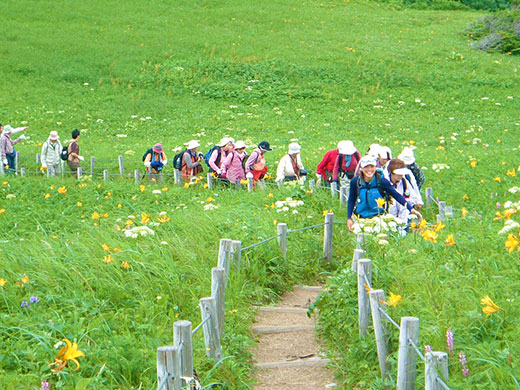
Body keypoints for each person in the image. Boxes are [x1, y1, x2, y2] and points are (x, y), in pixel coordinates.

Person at [347, 155, 422, 232]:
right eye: (366, 167)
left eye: (372, 167)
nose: (369, 170)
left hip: (379, 219)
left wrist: (411, 209)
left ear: (375, 167)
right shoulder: (355, 182)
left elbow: (396, 195)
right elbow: (351, 200)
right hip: (360, 219)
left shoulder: (382, 181)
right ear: (361, 168)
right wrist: (349, 218)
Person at [384, 159, 424, 224]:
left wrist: (417, 202)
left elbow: (412, 193)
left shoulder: (404, 182)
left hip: (403, 212)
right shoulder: (385, 182)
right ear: (392, 172)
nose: (401, 176)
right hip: (389, 211)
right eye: (398, 174)